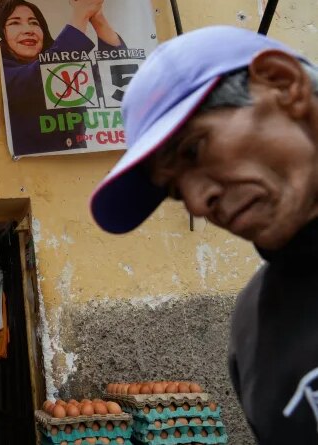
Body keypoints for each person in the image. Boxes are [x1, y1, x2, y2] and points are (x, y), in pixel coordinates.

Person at [89, 26, 318, 444]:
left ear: (284, 84)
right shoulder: (254, 327)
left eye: (194, 149)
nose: (196, 202)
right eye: (176, 191)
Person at [0, 0, 125, 155]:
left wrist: (97, 17)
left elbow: (115, 74)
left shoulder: (67, 70)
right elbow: (41, 75)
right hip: (29, 175)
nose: (28, 30)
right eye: (14, 23)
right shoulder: (1, 74)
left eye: (34, 23)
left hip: (77, 171)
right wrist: (81, 14)